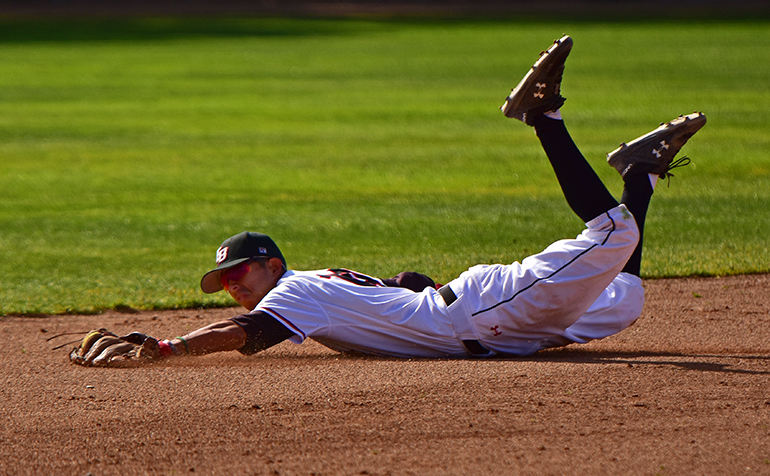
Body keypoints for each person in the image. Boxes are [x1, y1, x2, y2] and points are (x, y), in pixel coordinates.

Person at [72, 35, 706, 366]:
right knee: (625, 297)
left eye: (240, 274)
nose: (235, 287)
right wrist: (412, 292)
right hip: (500, 330)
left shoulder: (291, 295)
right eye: (225, 282)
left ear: (272, 264)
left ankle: (542, 116)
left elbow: (245, 333)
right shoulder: (319, 290)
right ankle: (640, 172)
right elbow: (405, 284)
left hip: (482, 314)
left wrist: (167, 348)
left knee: (614, 234)